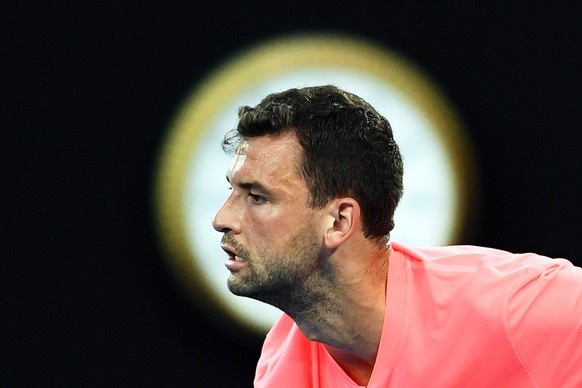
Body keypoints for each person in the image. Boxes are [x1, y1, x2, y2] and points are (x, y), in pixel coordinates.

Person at [212, 85, 582, 387]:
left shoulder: (517, 306)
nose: (222, 219)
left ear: (340, 221)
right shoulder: (279, 370)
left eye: (257, 197)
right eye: (232, 192)